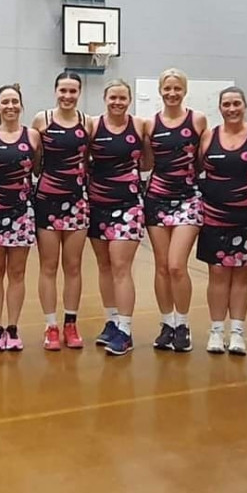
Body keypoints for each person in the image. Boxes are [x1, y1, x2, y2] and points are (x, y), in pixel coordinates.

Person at [197, 86, 247, 355]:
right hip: (215, 215)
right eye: (226, 104)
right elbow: (196, 169)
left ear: (245, 105)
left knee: (242, 276)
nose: (231, 109)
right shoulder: (208, 137)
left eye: (236, 103)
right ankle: (217, 331)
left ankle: (238, 332)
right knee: (217, 274)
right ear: (219, 108)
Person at [143, 68, 208, 353]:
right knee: (160, 266)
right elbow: (145, 162)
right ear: (160, 90)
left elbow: (204, 160)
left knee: (176, 265)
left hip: (188, 198)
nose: (172, 93)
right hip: (157, 197)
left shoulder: (197, 120)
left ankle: (183, 324)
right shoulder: (150, 124)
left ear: (184, 90)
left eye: (177, 88)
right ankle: (167, 323)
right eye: (167, 88)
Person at [0, 84, 40, 351]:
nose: (10, 106)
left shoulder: (33, 136)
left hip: (22, 211)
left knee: (17, 272)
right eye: (5, 102)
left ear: (21, 105)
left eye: (15, 101)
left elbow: (38, 168)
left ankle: (13, 328)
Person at [89, 79, 148, 356]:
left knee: (121, 265)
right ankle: (112, 321)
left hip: (128, 205)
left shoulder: (139, 126)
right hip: (97, 203)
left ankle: (125, 329)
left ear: (130, 99)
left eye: (123, 98)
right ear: (105, 98)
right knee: (104, 266)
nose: (117, 102)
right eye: (113, 97)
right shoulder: (92, 126)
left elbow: (148, 162)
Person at [31, 72, 88, 351]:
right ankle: (51, 326)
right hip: (47, 201)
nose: (67, 96)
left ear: (79, 93)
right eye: (63, 90)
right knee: (49, 266)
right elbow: (35, 161)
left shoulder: (87, 122)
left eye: (73, 91)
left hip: (77, 202)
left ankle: (71, 323)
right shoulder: (42, 120)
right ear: (55, 91)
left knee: (74, 266)